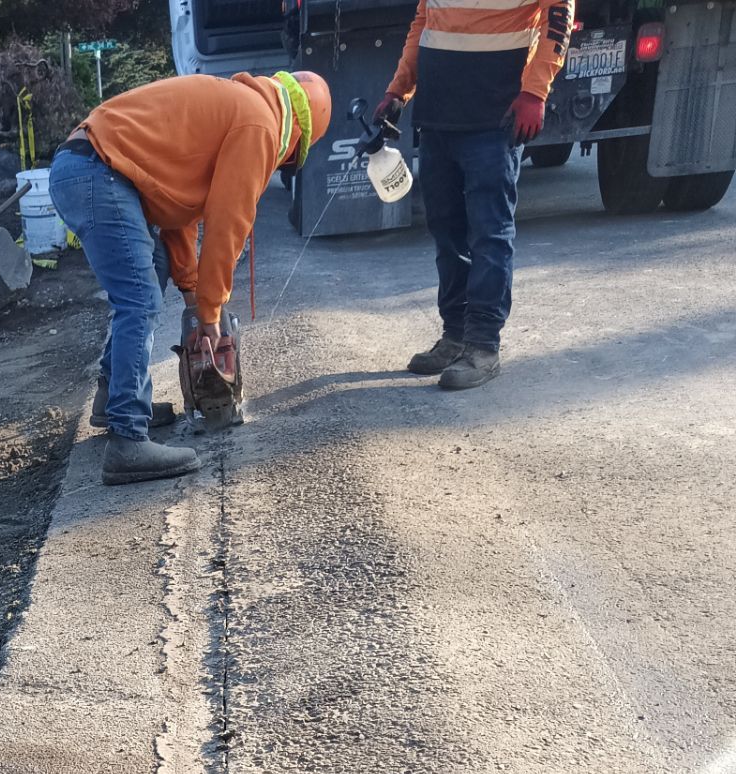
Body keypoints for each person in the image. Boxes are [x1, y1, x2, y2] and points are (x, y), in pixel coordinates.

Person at [49, 70, 333, 486]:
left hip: (89, 167)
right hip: (96, 171)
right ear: (296, 141)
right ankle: (127, 440)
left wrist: (192, 296)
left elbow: (178, 212)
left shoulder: (238, 106)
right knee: (139, 299)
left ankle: (114, 401)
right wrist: (211, 313)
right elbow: (227, 221)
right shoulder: (259, 124)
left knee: (153, 269)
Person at [375, 0, 571, 389]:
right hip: (439, 116)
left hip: (492, 117)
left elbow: (559, 16)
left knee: (489, 233)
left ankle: (483, 345)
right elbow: (424, 21)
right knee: (447, 231)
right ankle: (455, 336)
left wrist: (535, 92)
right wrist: (399, 88)